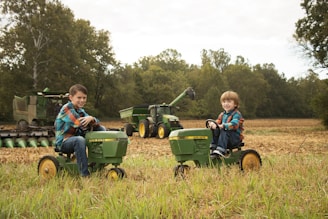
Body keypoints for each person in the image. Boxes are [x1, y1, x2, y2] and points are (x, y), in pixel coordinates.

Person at [55, 84, 106, 177]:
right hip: (64, 142)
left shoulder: (80, 110)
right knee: (79, 140)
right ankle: (84, 174)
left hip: (76, 138)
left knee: (101, 129)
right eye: (79, 97)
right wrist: (90, 119)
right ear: (71, 97)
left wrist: (92, 118)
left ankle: (100, 160)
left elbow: (96, 122)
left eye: (84, 98)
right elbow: (80, 123)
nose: (82, 100)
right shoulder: (66, 109)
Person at [208, 91, 244, 157]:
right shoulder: (222, 114)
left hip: (234, 138)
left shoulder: (236, 114)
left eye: (229, 102)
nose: (226, 104)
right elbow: (218, 121)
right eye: (224, 102)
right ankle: (213, 147)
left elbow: (234, 125)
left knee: (224, 130)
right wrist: (213, 124)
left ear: (235, 104)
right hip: (225, 138)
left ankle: (221, 150)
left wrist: (223, 126)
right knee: (215, 130)